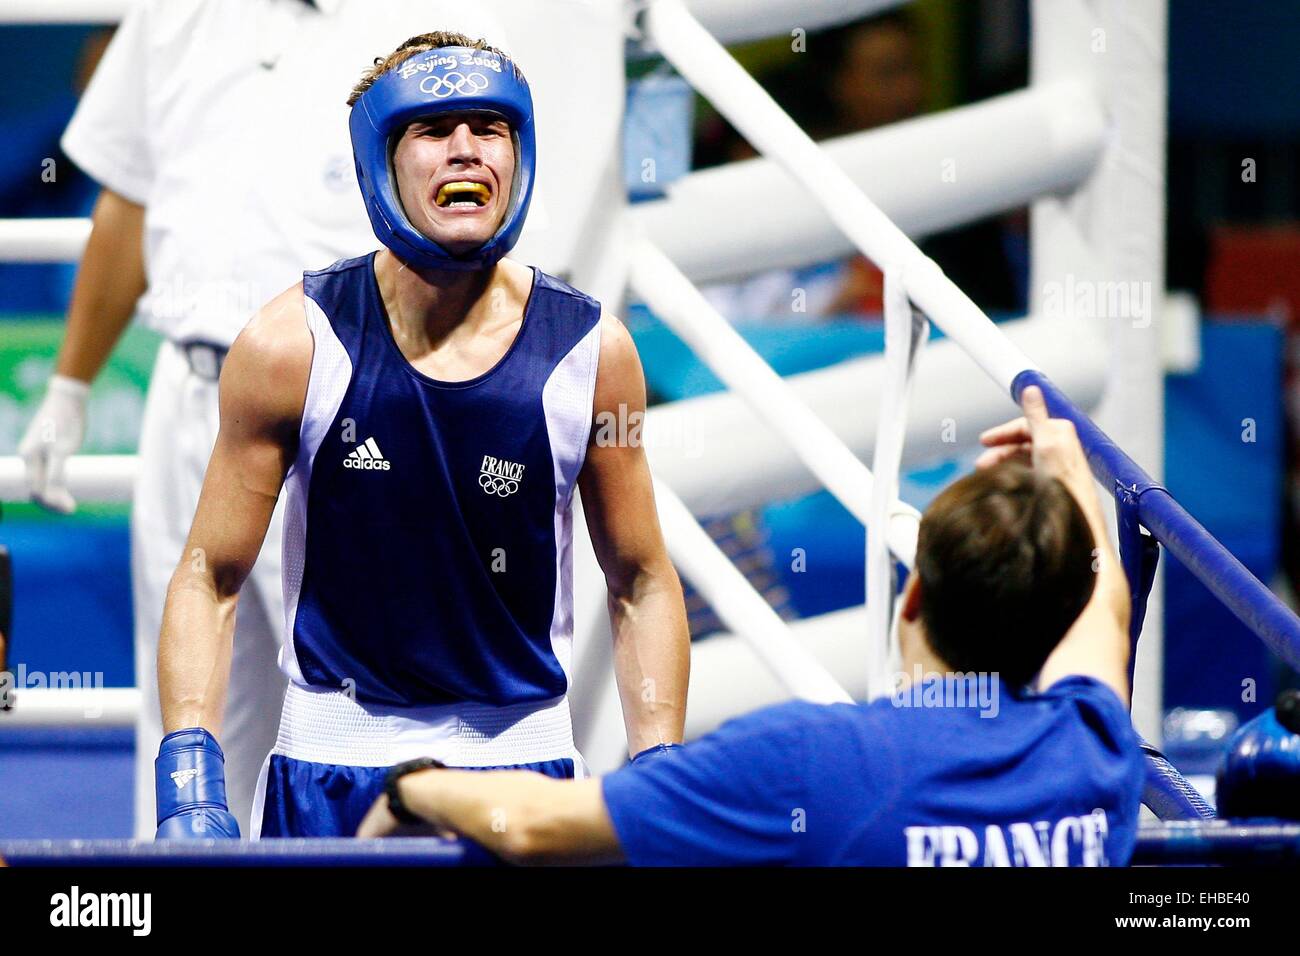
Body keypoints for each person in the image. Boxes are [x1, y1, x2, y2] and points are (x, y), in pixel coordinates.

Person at [18, 0, 628, 839]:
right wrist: (71, 382)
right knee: (189, 746)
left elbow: (494, 232)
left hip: (355, 403)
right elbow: (127, 196)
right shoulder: (176, 11)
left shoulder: (440, 35)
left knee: (349, 709)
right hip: (193, 387)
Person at [152, 33, 689, 840]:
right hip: (330, 770)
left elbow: (642, 578)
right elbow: (209, 576)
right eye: (434, 131)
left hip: (526, 775)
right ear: (382, 161)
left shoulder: (591, 353)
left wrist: (659, 774)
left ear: (520, 150)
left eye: (489, 127)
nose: (465, 150)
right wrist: (190, 781)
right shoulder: (291, 345)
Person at [358, 386, 1146, 866]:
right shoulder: (1094, 748)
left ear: (913, 599)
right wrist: (1070, 476)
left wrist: (415, 787)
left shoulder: (813, 761)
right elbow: (1105, 607)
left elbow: (532, 830)